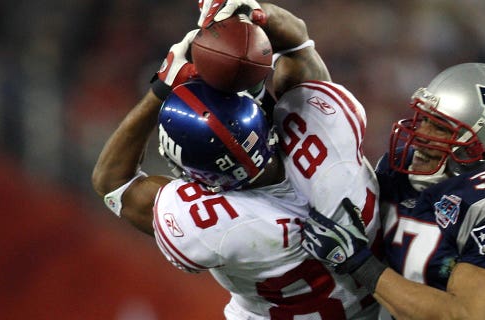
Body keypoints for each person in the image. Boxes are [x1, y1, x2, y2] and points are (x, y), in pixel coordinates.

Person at [92, 1, 382, 319]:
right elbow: (297, 40)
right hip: (385, 304)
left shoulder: (218, 227)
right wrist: (252, 13)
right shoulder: (326, 125)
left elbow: (112, 182)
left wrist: (162, 87)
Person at [302, 63, 485, 319]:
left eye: (440, 127)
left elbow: (464, 316)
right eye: (423, 119)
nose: (420, 134)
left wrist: (358, 262)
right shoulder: (401, 171)